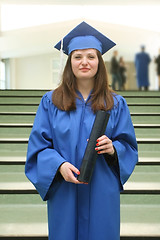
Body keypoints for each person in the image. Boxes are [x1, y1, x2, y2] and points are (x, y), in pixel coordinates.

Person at [25, 21, 138, 240]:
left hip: (101, 190)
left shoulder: (116, 103)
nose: (84, 62)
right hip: (65, 191)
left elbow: (129, 146)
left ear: (99, 62)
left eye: (91, 56)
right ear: (70, 62)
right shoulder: (51, 102)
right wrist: (59, 165)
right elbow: (39, 148)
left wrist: (113, 149)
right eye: (77, 57)